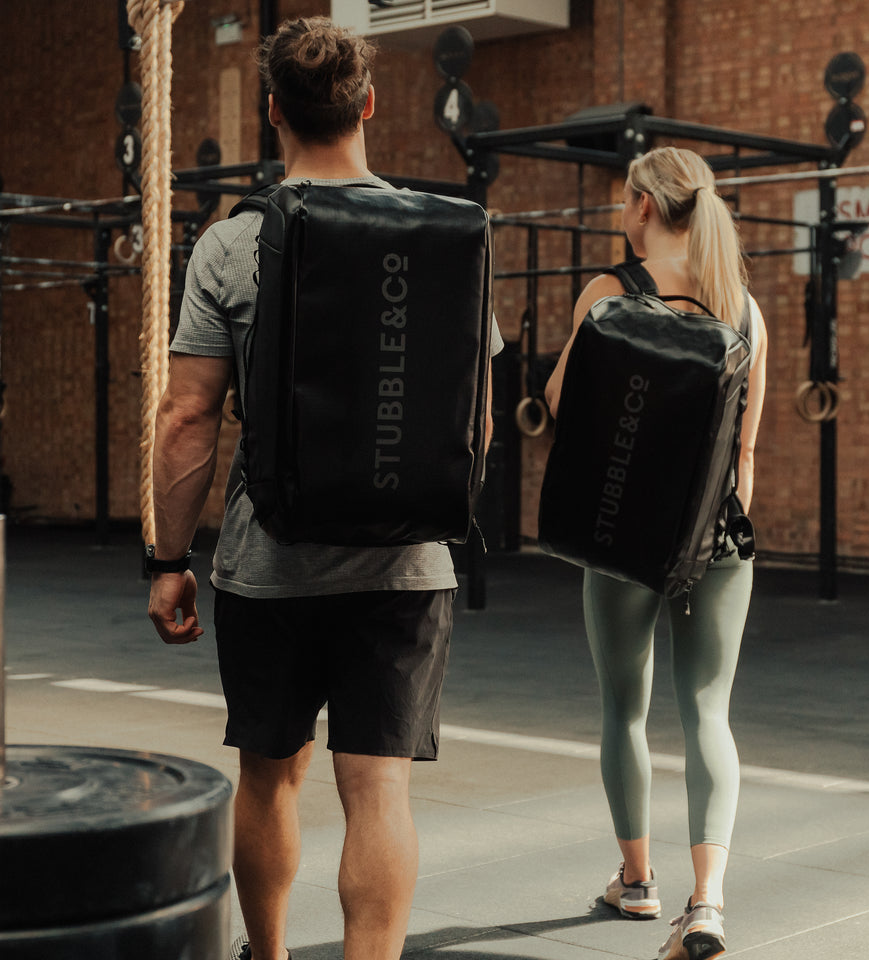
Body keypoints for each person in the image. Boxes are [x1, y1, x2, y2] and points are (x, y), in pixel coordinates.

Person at [146, 17, 501, 960]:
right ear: (370, 104)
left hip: (272, 566)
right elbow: (479, 422)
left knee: (268, 778)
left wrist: (169, 561)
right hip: (408, 564)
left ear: (273, 114)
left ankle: (266, 956)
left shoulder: (232, 245)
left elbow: (186, 416)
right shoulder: (447, 238)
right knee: (378, 787)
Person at [544, 146, 767, 960]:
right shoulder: (741, 306)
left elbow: (562, 401)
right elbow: (745, 453)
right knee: (709, 713)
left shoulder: (608, 293)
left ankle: (637, 883)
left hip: (621, 536)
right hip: (715, 538)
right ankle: (706, 904)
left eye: (622, 198)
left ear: (642, 204)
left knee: (623, 710)